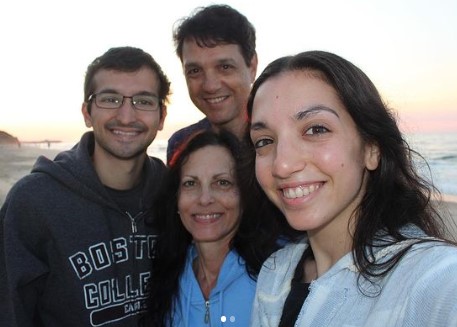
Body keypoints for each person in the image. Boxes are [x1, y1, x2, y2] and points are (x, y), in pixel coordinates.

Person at [246, 50, 457, 326]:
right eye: (264, 141)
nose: (282, 164)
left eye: (315, 129)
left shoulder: (429, 279)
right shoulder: (274, 273)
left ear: (371, 148)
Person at [0, 46, 171, 326]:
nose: (127, 116)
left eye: (143, 101)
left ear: (161, 116)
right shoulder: (34, 202)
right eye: (110, 99)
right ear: (87, 113)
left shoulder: (174, 194)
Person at [142, 130, 297, 327]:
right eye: (190, 183)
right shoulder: (169, 275)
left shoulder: (278, 274)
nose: (205, 199)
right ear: (176, 199)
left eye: (222, 183)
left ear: (244, 194)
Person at [166, 4, 258, 163]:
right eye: (195, 71)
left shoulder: (280, 137)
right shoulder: (181, 145)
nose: (210, 86)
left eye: (225, 67)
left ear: (252, 66)